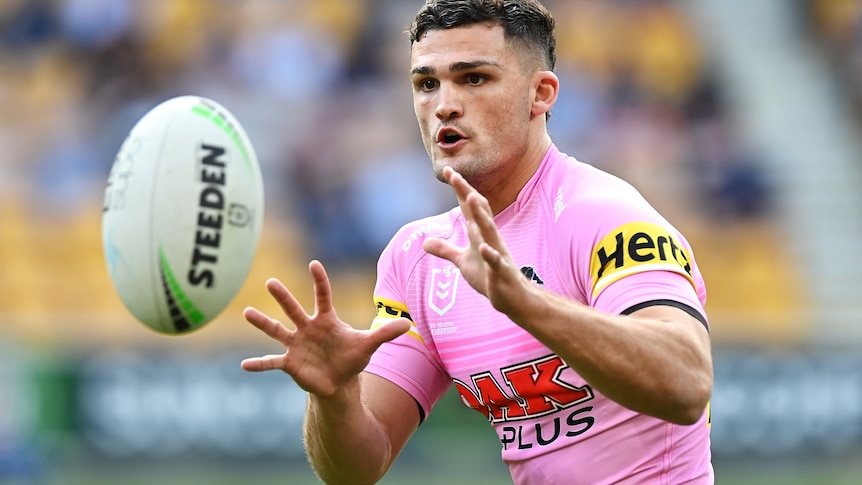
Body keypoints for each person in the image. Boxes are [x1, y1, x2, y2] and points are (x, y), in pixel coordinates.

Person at [240, 1, 714, 483]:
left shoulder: (602, 215)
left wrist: (526, 304)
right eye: (427, 83)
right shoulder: (420, 258)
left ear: (541, 94)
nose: (443, 104)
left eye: (473, 78)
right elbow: (358, 466)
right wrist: (335, 395)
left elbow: (688, 383)